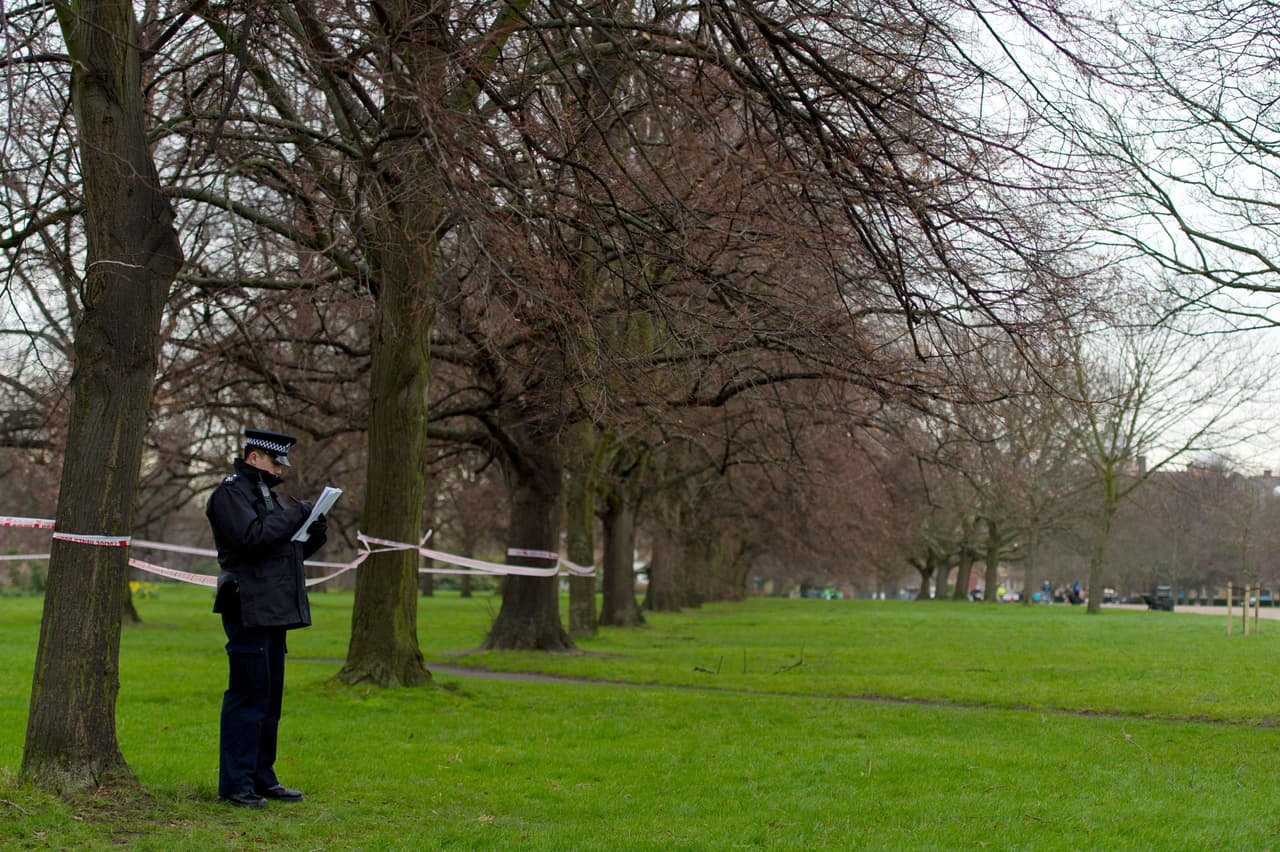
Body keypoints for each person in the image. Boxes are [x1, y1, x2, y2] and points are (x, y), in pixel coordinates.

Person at [206, 428, 328, 808]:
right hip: (247, 606)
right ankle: (235, 784)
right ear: (254, 457)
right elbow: (252, 538)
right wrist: (296, 515)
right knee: (247, 696)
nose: (279, 471)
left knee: (270, 700)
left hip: (274, 608)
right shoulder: (229, 494)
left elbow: (284, 552)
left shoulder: (269, 498)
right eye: (275, 462)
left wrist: (314, 531)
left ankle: (262, 776)